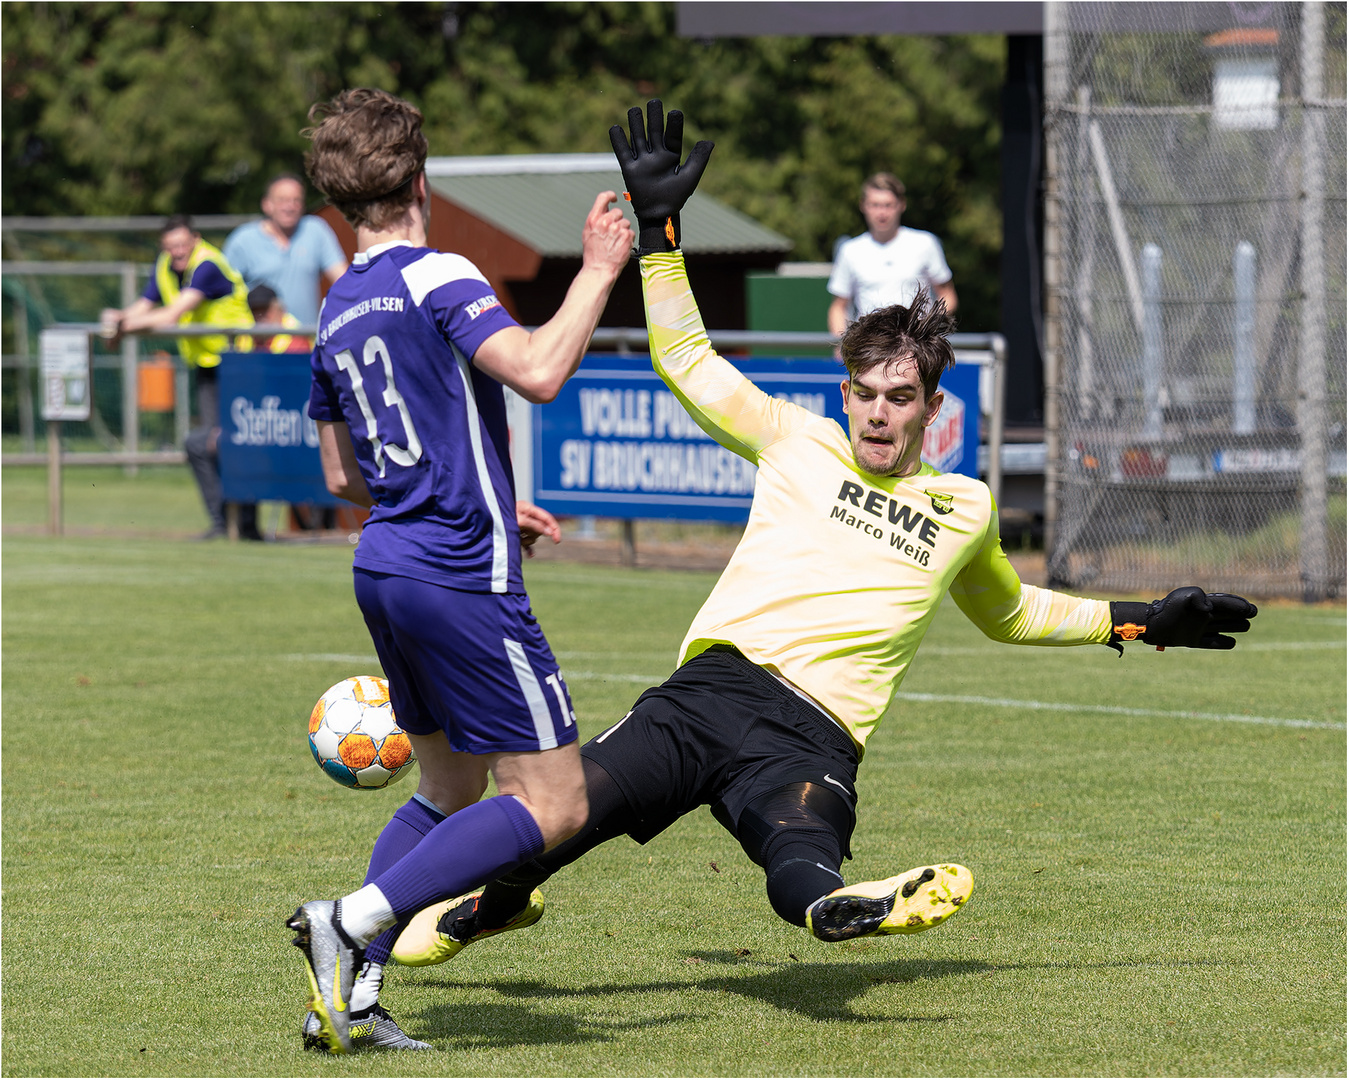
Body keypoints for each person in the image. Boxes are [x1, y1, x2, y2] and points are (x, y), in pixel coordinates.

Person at [384, 101, 1260, 985]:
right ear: (844, 395)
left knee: (798, 847)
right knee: (563, 812)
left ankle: (841, 908)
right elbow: (686, 356)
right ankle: (486, 906)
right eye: (866, 392)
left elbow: (1012, 613)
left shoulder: (963, 508)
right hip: (710, 694)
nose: (880, 411)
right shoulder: (794, 438)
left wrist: (1143, 620)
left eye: (900, 395)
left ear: (931, 408)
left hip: (816, 733)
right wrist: (659, 228)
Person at [284, 88, 634, 1056]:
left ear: (339, 200)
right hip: (454, 575)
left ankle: (349, 1000)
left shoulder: (334, 308)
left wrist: (474, 494)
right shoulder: (437, 271)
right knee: (554, 805)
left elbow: (340, 473)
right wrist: (601, 271)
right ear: (421, 180)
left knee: (447, 787)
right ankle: (351, 922)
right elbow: (536, 368)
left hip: (385, 565)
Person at [101, 214, 259, 540]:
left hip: (239, 363)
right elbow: (144, 305)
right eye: (171, 247)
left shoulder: (208, 264)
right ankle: (222, 523)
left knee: (235, 443)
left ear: (195, 239)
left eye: (182, 245)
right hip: (206, 365)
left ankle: (245, 526)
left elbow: (174, 314)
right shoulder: (164, 266)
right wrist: (117, 317)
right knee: (202, 445)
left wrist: (120, 326)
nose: (177, 252)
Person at [827, 172, 958, 341]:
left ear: (901, 205)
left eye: (888, 205)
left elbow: (948, 295)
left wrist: (925, 328)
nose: (882, 212)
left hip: (917, 345)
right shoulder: (850, 250)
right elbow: (838, 307)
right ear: (863, 206)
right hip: (870, 347)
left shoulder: (925, 243)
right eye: (875, 205)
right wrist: (842, 343)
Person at [223, 172, 349, 328]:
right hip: (261, 343)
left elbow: (344, 280)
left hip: (306, 341)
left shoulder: (316, 230)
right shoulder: (243, 240)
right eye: (282, 200)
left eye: (296, 200)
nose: (290, 207)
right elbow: (225, 295)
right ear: (267, 204)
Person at [246, 285, 312, 353]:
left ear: (280, 309)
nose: (259, 315)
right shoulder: (246, 338)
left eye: (265, 309)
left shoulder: (296, 336)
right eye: (254, 310)